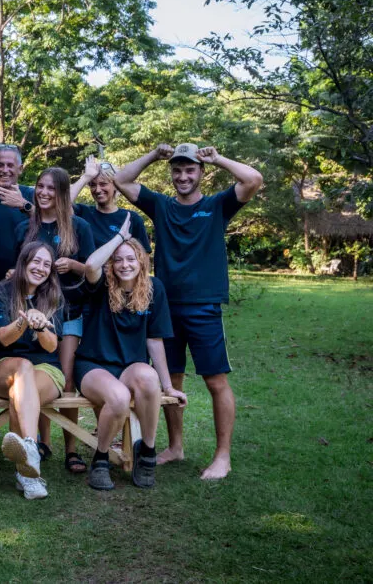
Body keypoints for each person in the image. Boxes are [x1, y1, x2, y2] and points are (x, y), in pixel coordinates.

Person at [113, 143, 262, 480]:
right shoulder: (162, 206)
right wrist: (152, 155)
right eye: (177, 170)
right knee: (172, 380)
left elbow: (253, 179)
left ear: (200, 173)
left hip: (204, 306)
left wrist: (218, 158)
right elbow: (121, 179)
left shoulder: (217, 206)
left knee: (215, 381)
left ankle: (223, 456)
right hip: (164, 306)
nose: (183, 176)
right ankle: (176, 446)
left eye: (190, 169)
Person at [75, 213, 187, 490]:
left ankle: (146, 452)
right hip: (93, 365)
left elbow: (154, 341)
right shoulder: (101, 285)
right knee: (118, 396)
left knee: (148, 379)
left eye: (131, 259)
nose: (124, 265)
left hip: (130, 366)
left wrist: (169, 387)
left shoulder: (153, 288)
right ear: (112, 263)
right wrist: (120, 239)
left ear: (142, 262)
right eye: (118, 259)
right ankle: (100, 458)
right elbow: (90, 264)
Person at [16, 167, 96, 473]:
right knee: (38, 371)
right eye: (40, 187)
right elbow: (17, 270)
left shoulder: (80, 226)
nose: (44, 193)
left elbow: (93, 272)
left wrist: (73, 264)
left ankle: (72, 449)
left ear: (63, 192)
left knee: (66, 379)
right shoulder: (26, 227)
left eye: (51, 188)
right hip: (33, 312)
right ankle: (41, 441)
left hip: (69, 310)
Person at [0, 241, 65, 500]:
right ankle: (32, 449)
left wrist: (42, 327)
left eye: (46, 264)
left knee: (20, 390)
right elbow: (3, 339)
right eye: (36, 261)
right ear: (24, 262)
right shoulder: (0, 291)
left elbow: (52, 346)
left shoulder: (53, 296)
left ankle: (27, 470)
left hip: (46, 369)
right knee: (22, 368)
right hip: (5, 364)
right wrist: (23, 321)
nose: (41, 268)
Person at [0, 144, 37, 286]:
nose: (5, 170)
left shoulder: (34, 197)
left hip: (31, 281)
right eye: (0, 165)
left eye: (10, 165)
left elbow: (54, 224)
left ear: (20, 169)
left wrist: (24, 205)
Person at [70, 156, 151, 251]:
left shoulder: (132, 219)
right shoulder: (82, 212)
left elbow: (143, 258)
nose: (97, 190)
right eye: (93, 185)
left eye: (103, 184)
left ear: (116, 186)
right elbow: (61, 203)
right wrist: (86, 177)